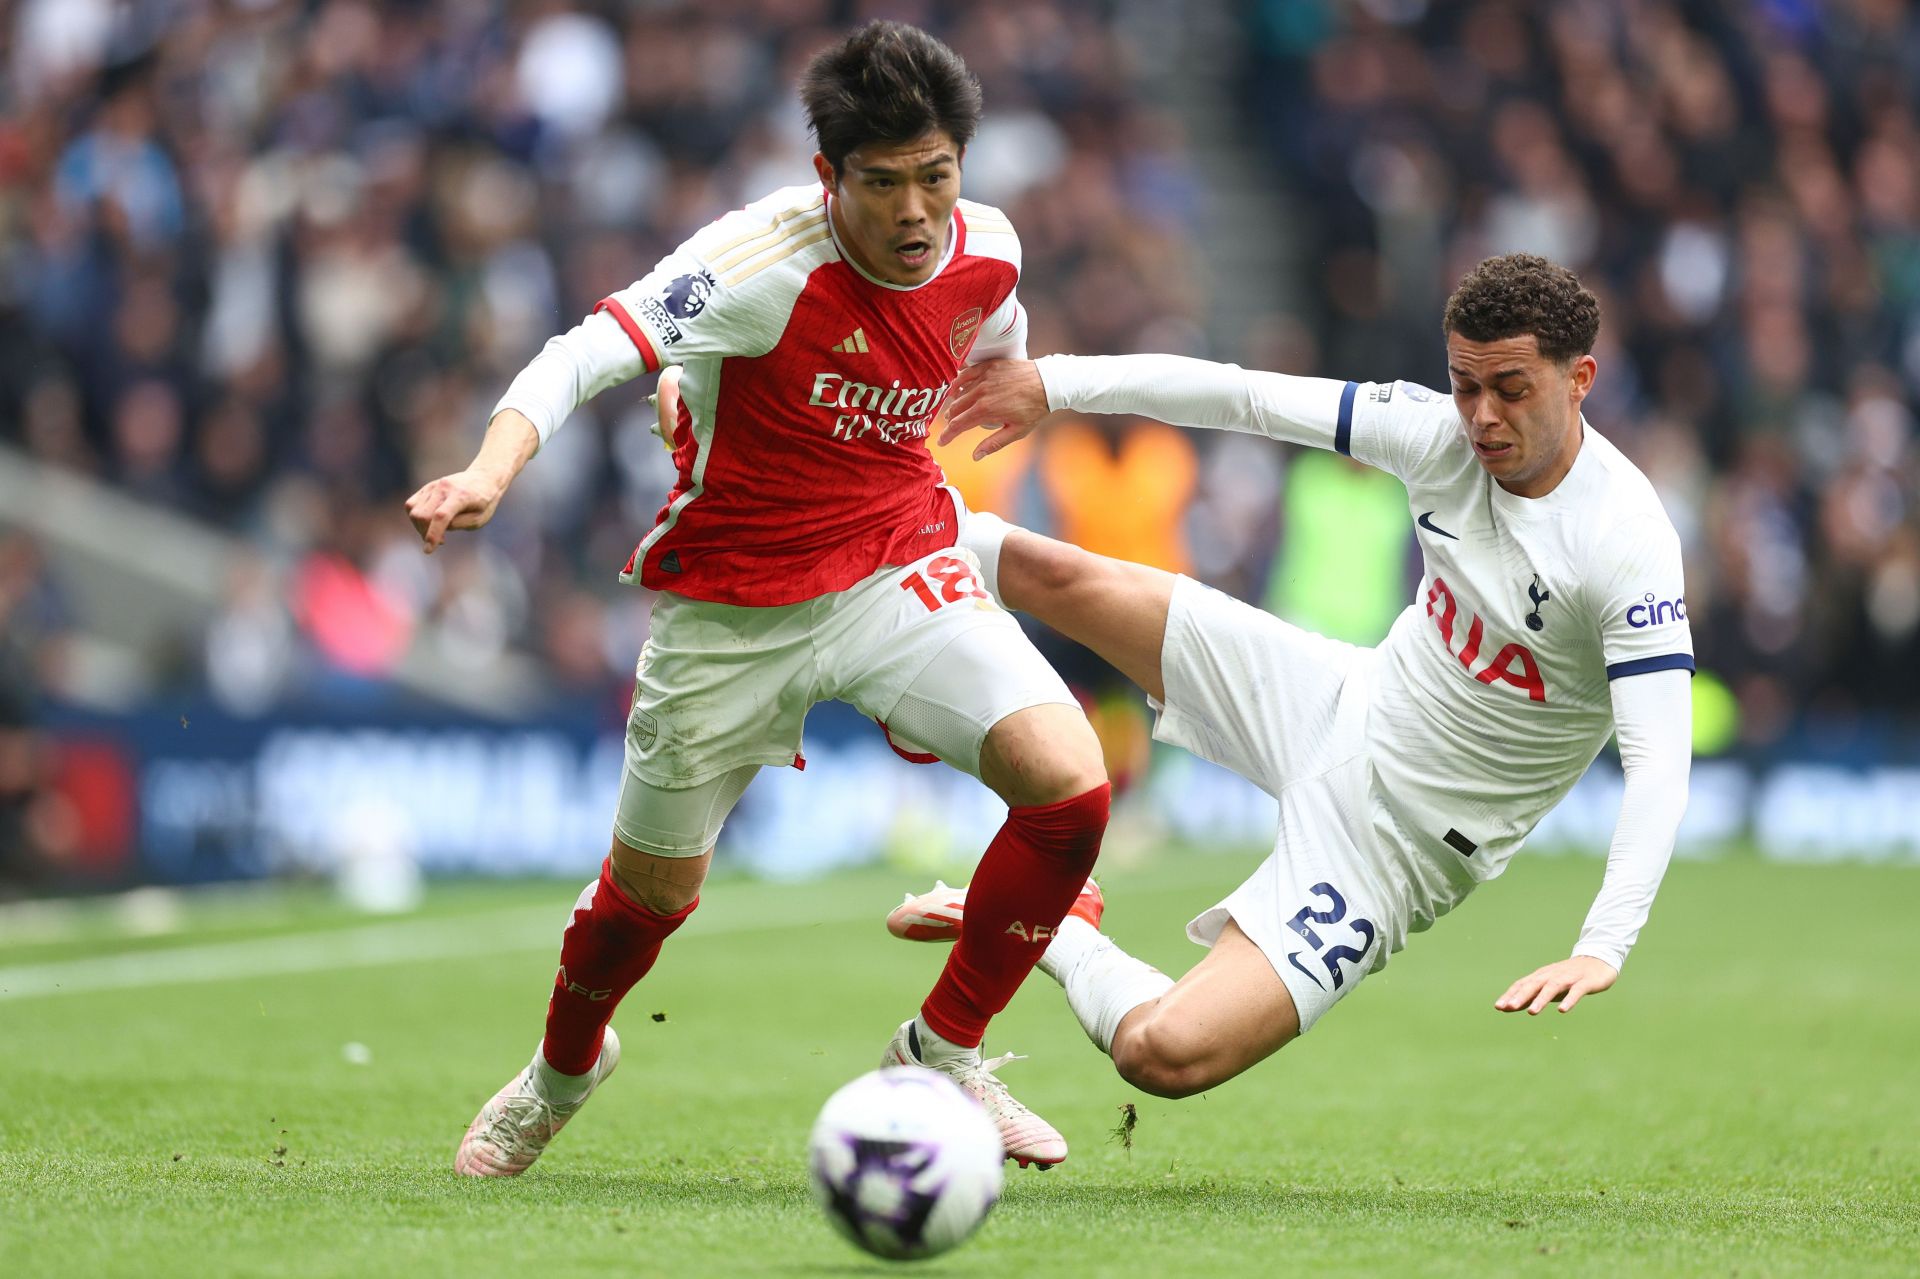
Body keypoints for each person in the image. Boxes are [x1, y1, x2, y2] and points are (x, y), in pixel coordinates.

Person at [409, 21, 1110, 1176]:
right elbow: (590, 347)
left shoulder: (992, 248)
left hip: (896, 564)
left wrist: (1017, 387)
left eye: (937, 175)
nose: (916, 212)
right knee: (648, 897)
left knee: (1071, 789)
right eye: (882, 183)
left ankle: (941, 1051)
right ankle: (561, 1071)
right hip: (733, 608)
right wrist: (492, 468)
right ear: (828, 177)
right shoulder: (761, 260)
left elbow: (994, 338)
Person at [887, 254, 1694, 1099]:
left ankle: (1057, 930)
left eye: (1512, 388)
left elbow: (1659, 765)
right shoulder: (1433, 433)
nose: (1483, 417)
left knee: (1162, 1055)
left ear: (1582, 379)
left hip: (1397, 850)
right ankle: (875, 513)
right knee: (1064, 578)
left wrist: (1604, 942)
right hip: (1333, 698)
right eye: (1464, 386)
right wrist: (1051, 383)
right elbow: (1244, 396)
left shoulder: (1624, 542)